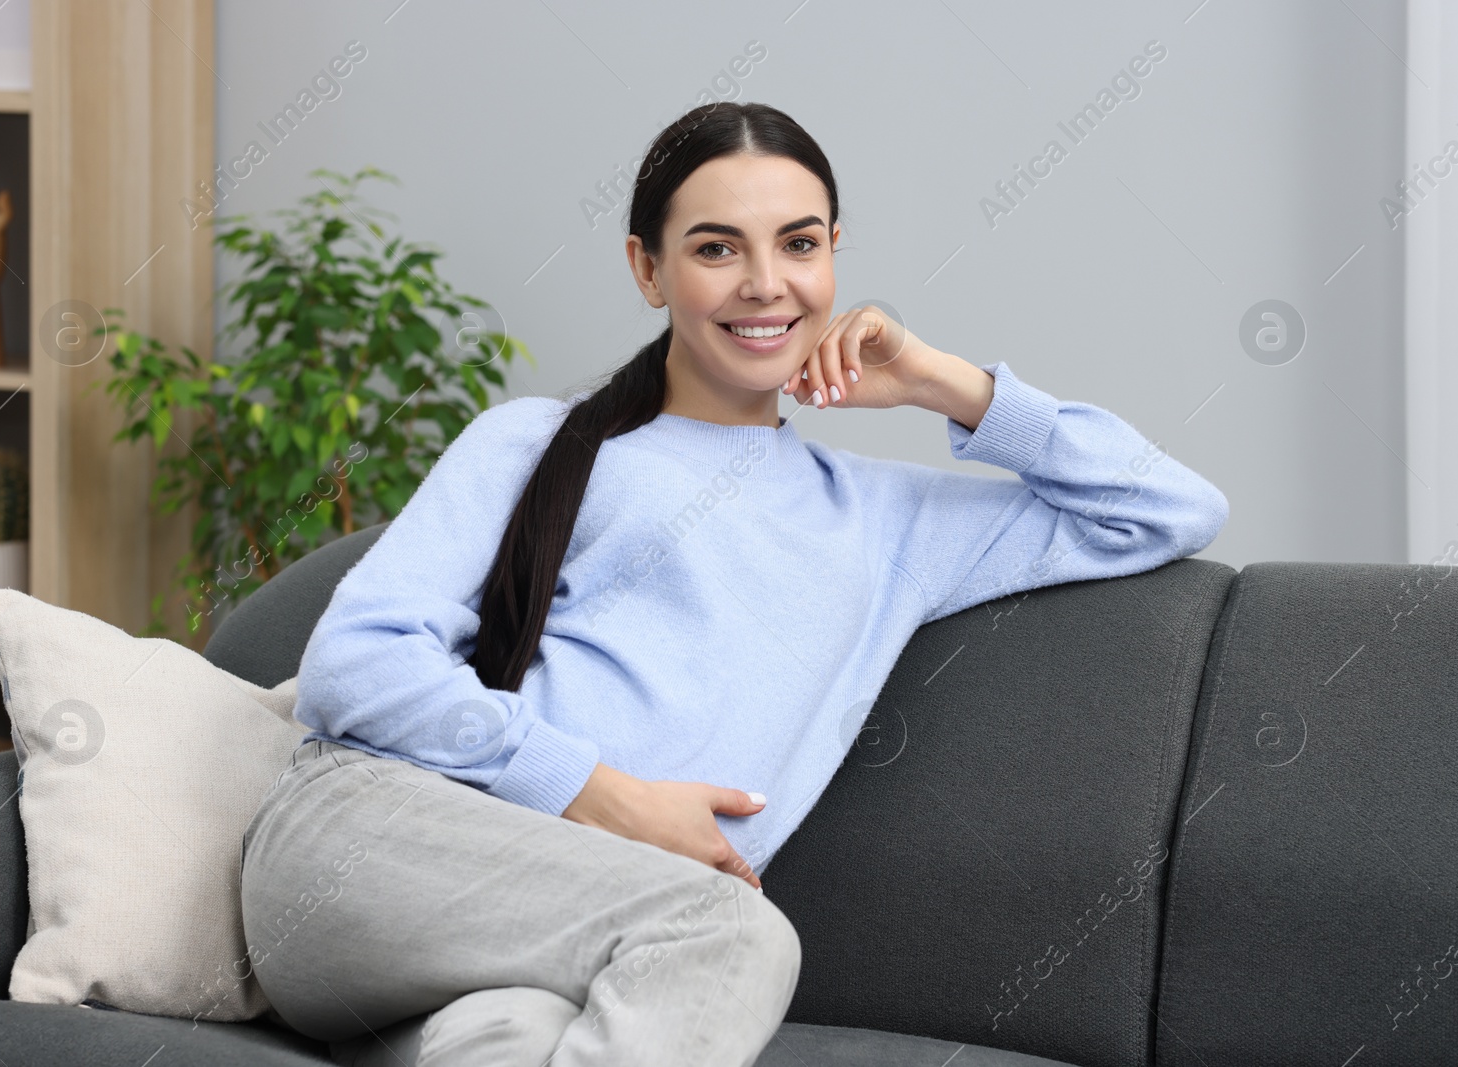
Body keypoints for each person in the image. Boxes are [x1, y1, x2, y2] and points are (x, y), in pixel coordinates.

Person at [239, 100, 1229, 1067]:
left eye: (798, 245)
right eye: (716, 249)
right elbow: (352, 665)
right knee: (737, 937)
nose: (765, 284)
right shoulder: (537, 442)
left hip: (547, 944)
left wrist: (940, 379)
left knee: (507, 1042)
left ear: (834, 253)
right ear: (647, 268)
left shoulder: (888, 521)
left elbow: (1164, 507)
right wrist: (597, 792)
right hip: (370, 848)